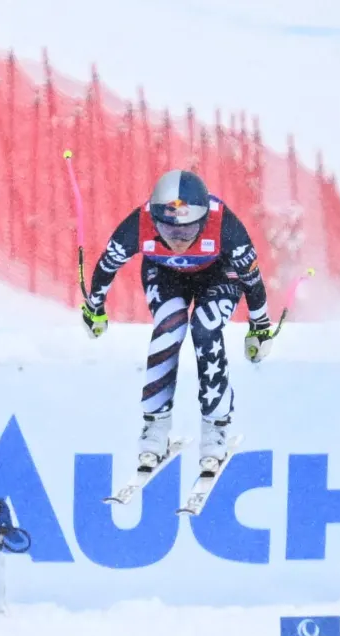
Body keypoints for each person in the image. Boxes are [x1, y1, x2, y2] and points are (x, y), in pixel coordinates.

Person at [79, 169, 274, 474]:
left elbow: (252, 280)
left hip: (218, 274)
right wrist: (94, 309)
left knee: (205, 327)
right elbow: (107, 266)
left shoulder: (225, 226)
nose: (178, 239)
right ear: (154, 218)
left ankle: (215, 425)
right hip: (164, 273)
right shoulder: (139, 224)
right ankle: (155, 424)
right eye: (168, 229)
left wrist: (260, 327)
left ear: (204, 220)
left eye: (188, 230)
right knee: (170, 326)